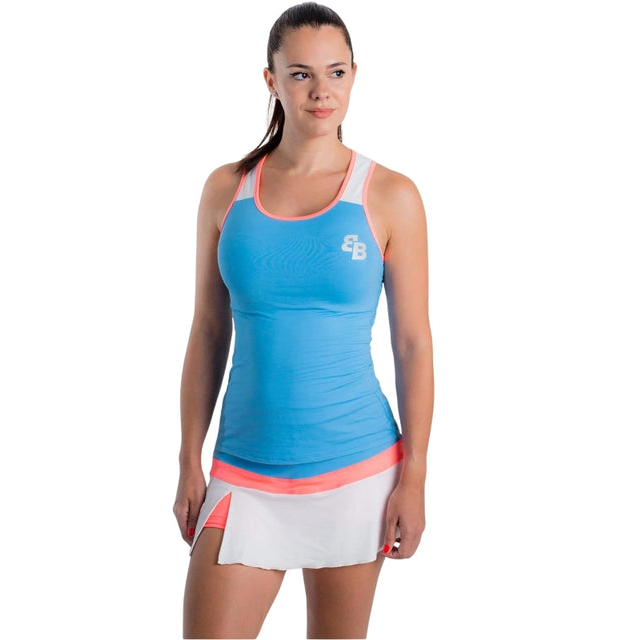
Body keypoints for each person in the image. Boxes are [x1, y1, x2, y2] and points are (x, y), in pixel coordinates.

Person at [172, 2, 434, 638]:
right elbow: (208, 331)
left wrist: (416, 477)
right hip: (243, 472)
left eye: (336, 72)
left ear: (354, 76)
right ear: (271, 80)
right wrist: (188, 458)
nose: (322, 91)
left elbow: (412, 344)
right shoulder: (226, 189)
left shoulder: (390, 194)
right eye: (301, 74)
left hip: (358, 472)